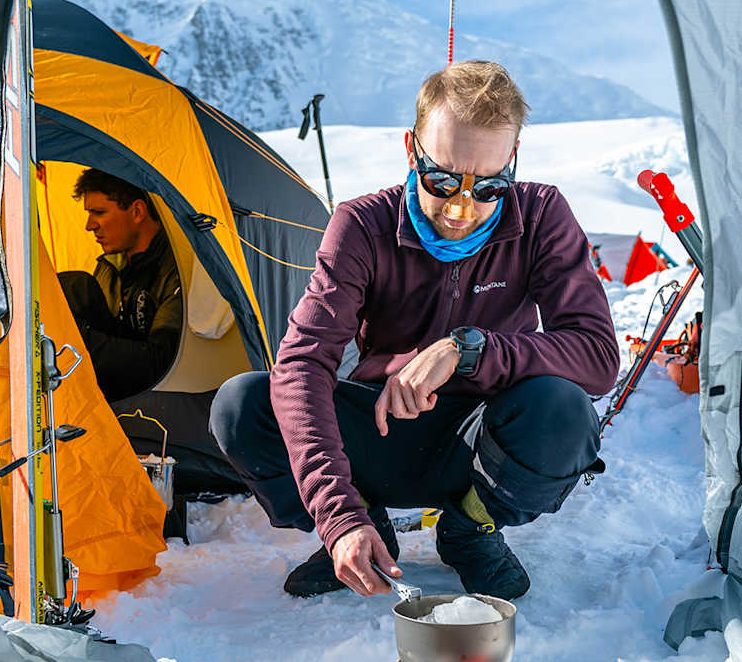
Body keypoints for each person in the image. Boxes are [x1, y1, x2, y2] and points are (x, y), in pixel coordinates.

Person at [209, 61, 619, 599]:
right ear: (412, 149)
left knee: (564, 409)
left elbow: (596, 357)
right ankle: (367, 526)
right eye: (441, 179)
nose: (462, 207)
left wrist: (469, 350)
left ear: (512, 159)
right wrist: (339, 515)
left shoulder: (541, 215)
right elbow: (304, 362)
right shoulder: (362, 225)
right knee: (243, 404)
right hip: (379, 429)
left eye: (490, 186)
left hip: (484, 438)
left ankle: (472, 529)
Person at [59, 169, 183, 400]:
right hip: (113, 379)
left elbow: (163, 361)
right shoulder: (110, 266)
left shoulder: (177, 269)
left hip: (158, 387)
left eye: (98, 212)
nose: (89, 225)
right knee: (75, 286)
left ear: (137, 212)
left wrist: (75, 341)